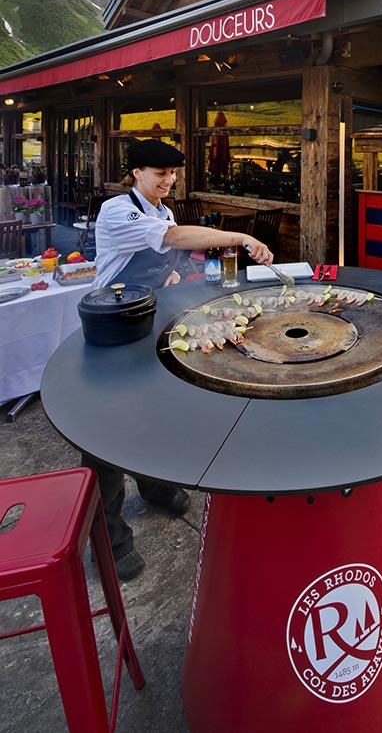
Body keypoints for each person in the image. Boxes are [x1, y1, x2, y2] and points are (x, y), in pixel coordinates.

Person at [84, 138, 274, 581]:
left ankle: (154, 486)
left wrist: (173, 275)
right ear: (136, 174)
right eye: (159, 174)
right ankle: (108, 539)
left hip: (148, 315)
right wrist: (240, 236)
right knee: (105, 429)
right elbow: (172, 238)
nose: (168, 181)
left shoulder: (162, 210)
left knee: (154, 406)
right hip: (111, 322)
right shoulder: (117, 210)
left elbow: (165, 256)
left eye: (172, 174)